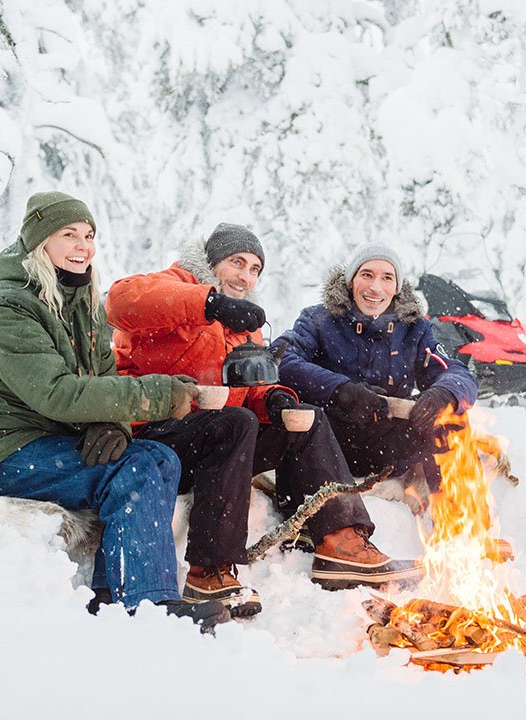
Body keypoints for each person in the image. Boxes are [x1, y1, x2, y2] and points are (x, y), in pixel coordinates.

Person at [0, 191, 227, 627]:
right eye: (69, 235)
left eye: (89, 235)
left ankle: (115, 593)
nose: (83, 246)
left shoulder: (84, 300)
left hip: (47, 438)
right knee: (131, 471)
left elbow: (103, 377)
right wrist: (159, 394)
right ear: (40, 243)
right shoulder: (8, 305)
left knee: (160, 458)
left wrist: (114, 425)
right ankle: (147, 605)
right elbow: (55, 393)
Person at [105, 224, 422, 596]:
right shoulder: (176, 284)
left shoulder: (243, 325)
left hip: (217, 441)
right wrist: (208, 304)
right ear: (212, 262)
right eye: (237, 262)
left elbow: (248, 387)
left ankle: (341, 540)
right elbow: (120, 301)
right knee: (235, 423)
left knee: (307, 420)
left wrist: (273, 399)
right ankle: (209, 571)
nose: (245, 275)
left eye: (255, 268)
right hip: (155, 435)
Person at [270, 243, 479, 495]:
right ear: (351, 281)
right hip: (329, 440)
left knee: (451, 418)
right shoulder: (318, 319)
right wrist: (340, 390)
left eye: (387, 278)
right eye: (367, 274)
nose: (375, 287)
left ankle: (459, 521)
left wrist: (444, 394)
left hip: (389, 443)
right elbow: (281, 359)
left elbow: (456, 373)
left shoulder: (415, 328)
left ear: (396, 288)